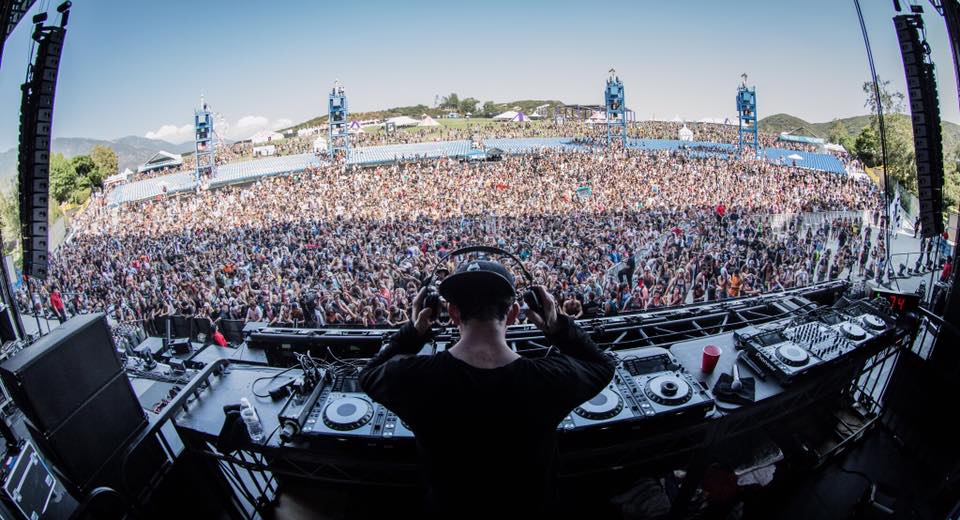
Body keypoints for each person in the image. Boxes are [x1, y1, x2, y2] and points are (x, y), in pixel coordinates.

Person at [358, 260, 615, 517]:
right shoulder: (550, 379)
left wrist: (414, 332)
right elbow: (601, 365)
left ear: (453, 313)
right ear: (513, 314)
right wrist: (556, 326)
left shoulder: (414, 378)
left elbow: (368, 373)